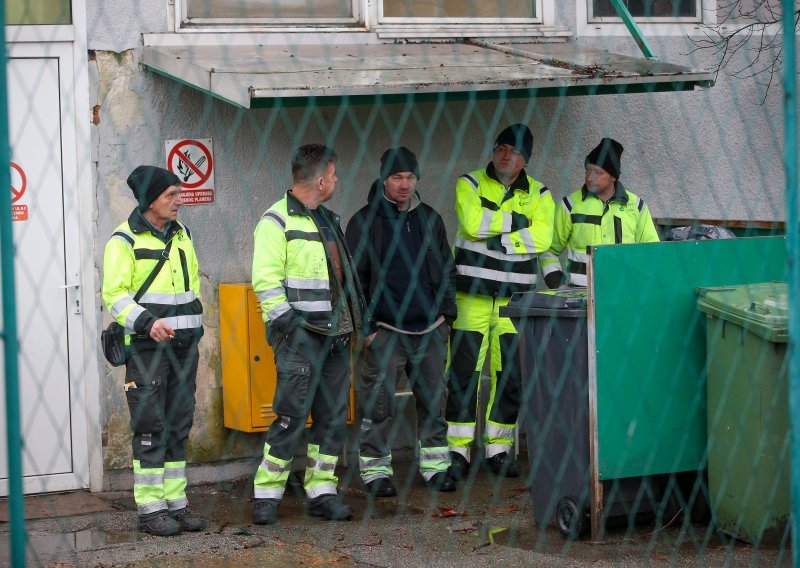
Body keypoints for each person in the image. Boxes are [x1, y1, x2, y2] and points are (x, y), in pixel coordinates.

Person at [250, 144, 366, 525]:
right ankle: (266, 496)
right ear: (320, 179)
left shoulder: (327, 220)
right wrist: (291, 329)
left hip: (334, 338)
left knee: (332, 419)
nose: (335, 181)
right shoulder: (275, 221)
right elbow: (265, 284)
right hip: (301, 339)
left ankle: (322, 492)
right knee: (290, 417)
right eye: (333, 176)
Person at [345, 147, 458, 498]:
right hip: (386, 333)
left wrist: (446, 319)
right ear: (383, 180)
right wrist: (366, 329)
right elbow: (353, 281)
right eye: (397, 177)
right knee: (378, 404)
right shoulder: (363, 223)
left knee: (435, 402)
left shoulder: (430, 219)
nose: (404, 184)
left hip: (430, 330)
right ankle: (376, 472)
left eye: (410, 177)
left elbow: (447, 272)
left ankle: (436, 467)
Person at [102, 165, 206, 536]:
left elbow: (191, 286)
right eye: (170, 196)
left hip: (184, 348)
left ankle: (176, 504)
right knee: (150, 427)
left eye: (178, 194)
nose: (179, 201)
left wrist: (196, 324)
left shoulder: (183, 235)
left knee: (178, 425)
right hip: (147, 349)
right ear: (150, 201)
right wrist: (147, 322)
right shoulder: (124, 241)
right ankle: (150, 510)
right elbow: (114, 295)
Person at [446, 124, 555, 479]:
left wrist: (502, 243)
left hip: (514, 302)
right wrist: (518, 222)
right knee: (463, 375)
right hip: (470, 298)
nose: (507, 156)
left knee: (510, 376)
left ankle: (498, 449)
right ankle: (457, 451)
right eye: (502, 148)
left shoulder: (541, 193)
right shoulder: (471, 183)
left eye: (515, 152)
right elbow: (473, 223)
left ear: (526, 160)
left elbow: (543, 236)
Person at [541, 138, 660, 289]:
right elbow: (548, 249)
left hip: (623, 294)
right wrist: (556, 282)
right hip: (579, 297)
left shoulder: (636, 207)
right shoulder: (569, 205)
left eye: (598, 172)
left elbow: (652, 253)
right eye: (588, 170)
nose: (589, 177)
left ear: (613, 176)